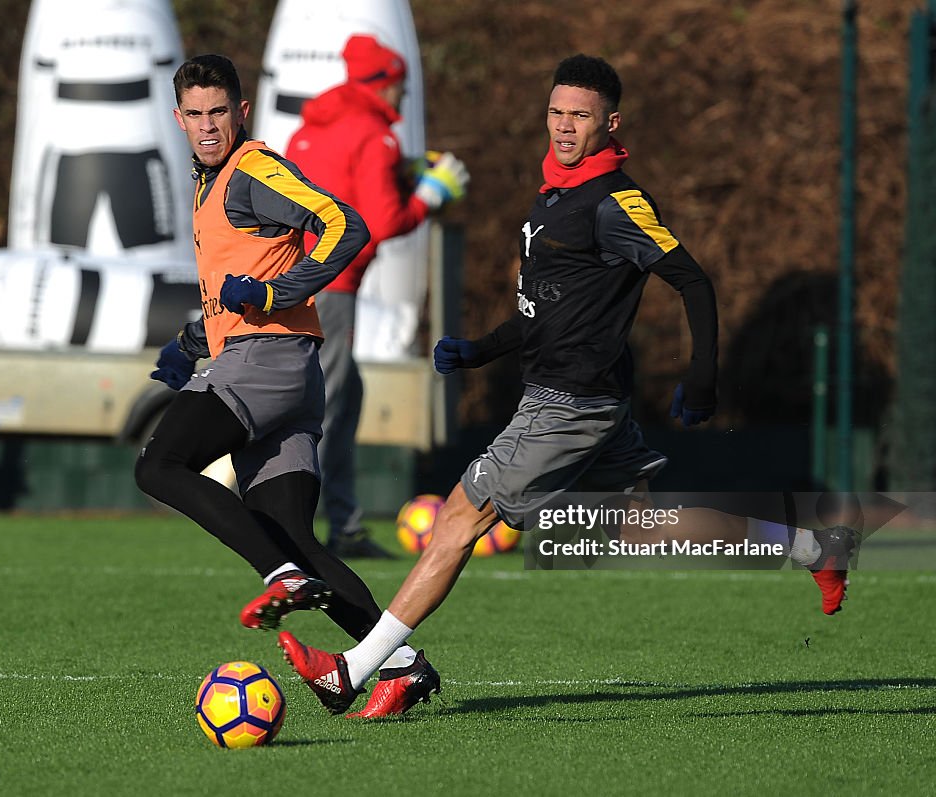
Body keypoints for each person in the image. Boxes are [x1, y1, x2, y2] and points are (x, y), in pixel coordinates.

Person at [277, 54, 856, 716]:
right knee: (642, 528)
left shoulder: (614, 203)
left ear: (611, 123)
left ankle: (353, 670)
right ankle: (810, 544)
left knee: (459, 520)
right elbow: (545, 308)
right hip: (570, 397)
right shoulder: (552, 195)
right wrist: (480, 350)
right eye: (556, 112)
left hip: (570, 405)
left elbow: (693, 280)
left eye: (579, 115)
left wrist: (702, 377)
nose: (563, 125)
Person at [135, 54, 438, 719]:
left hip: (264, 366)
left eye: (219, 112)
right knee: (295, 534)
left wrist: (279, 291)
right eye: (195, 114)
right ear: (179, 117)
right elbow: (237, 280)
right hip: (282, 373)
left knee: (159, 465)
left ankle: (278, 575)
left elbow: (345, 226)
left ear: (242, 111)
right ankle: (403, 662)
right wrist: (191, 344)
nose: (208, 125)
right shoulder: (210, 182)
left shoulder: (251, 169)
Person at [285, 34, 469, 559]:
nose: (402, 98)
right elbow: (381, 220)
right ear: (383, 83)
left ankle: (343, 525)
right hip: (333, 285)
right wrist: (429, 197)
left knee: (343, 400)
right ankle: (297, 529)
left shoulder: (311, 128)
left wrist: (402, 175)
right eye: (400, 87)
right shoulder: (372, 134)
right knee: (328, 406)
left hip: (295, 279)